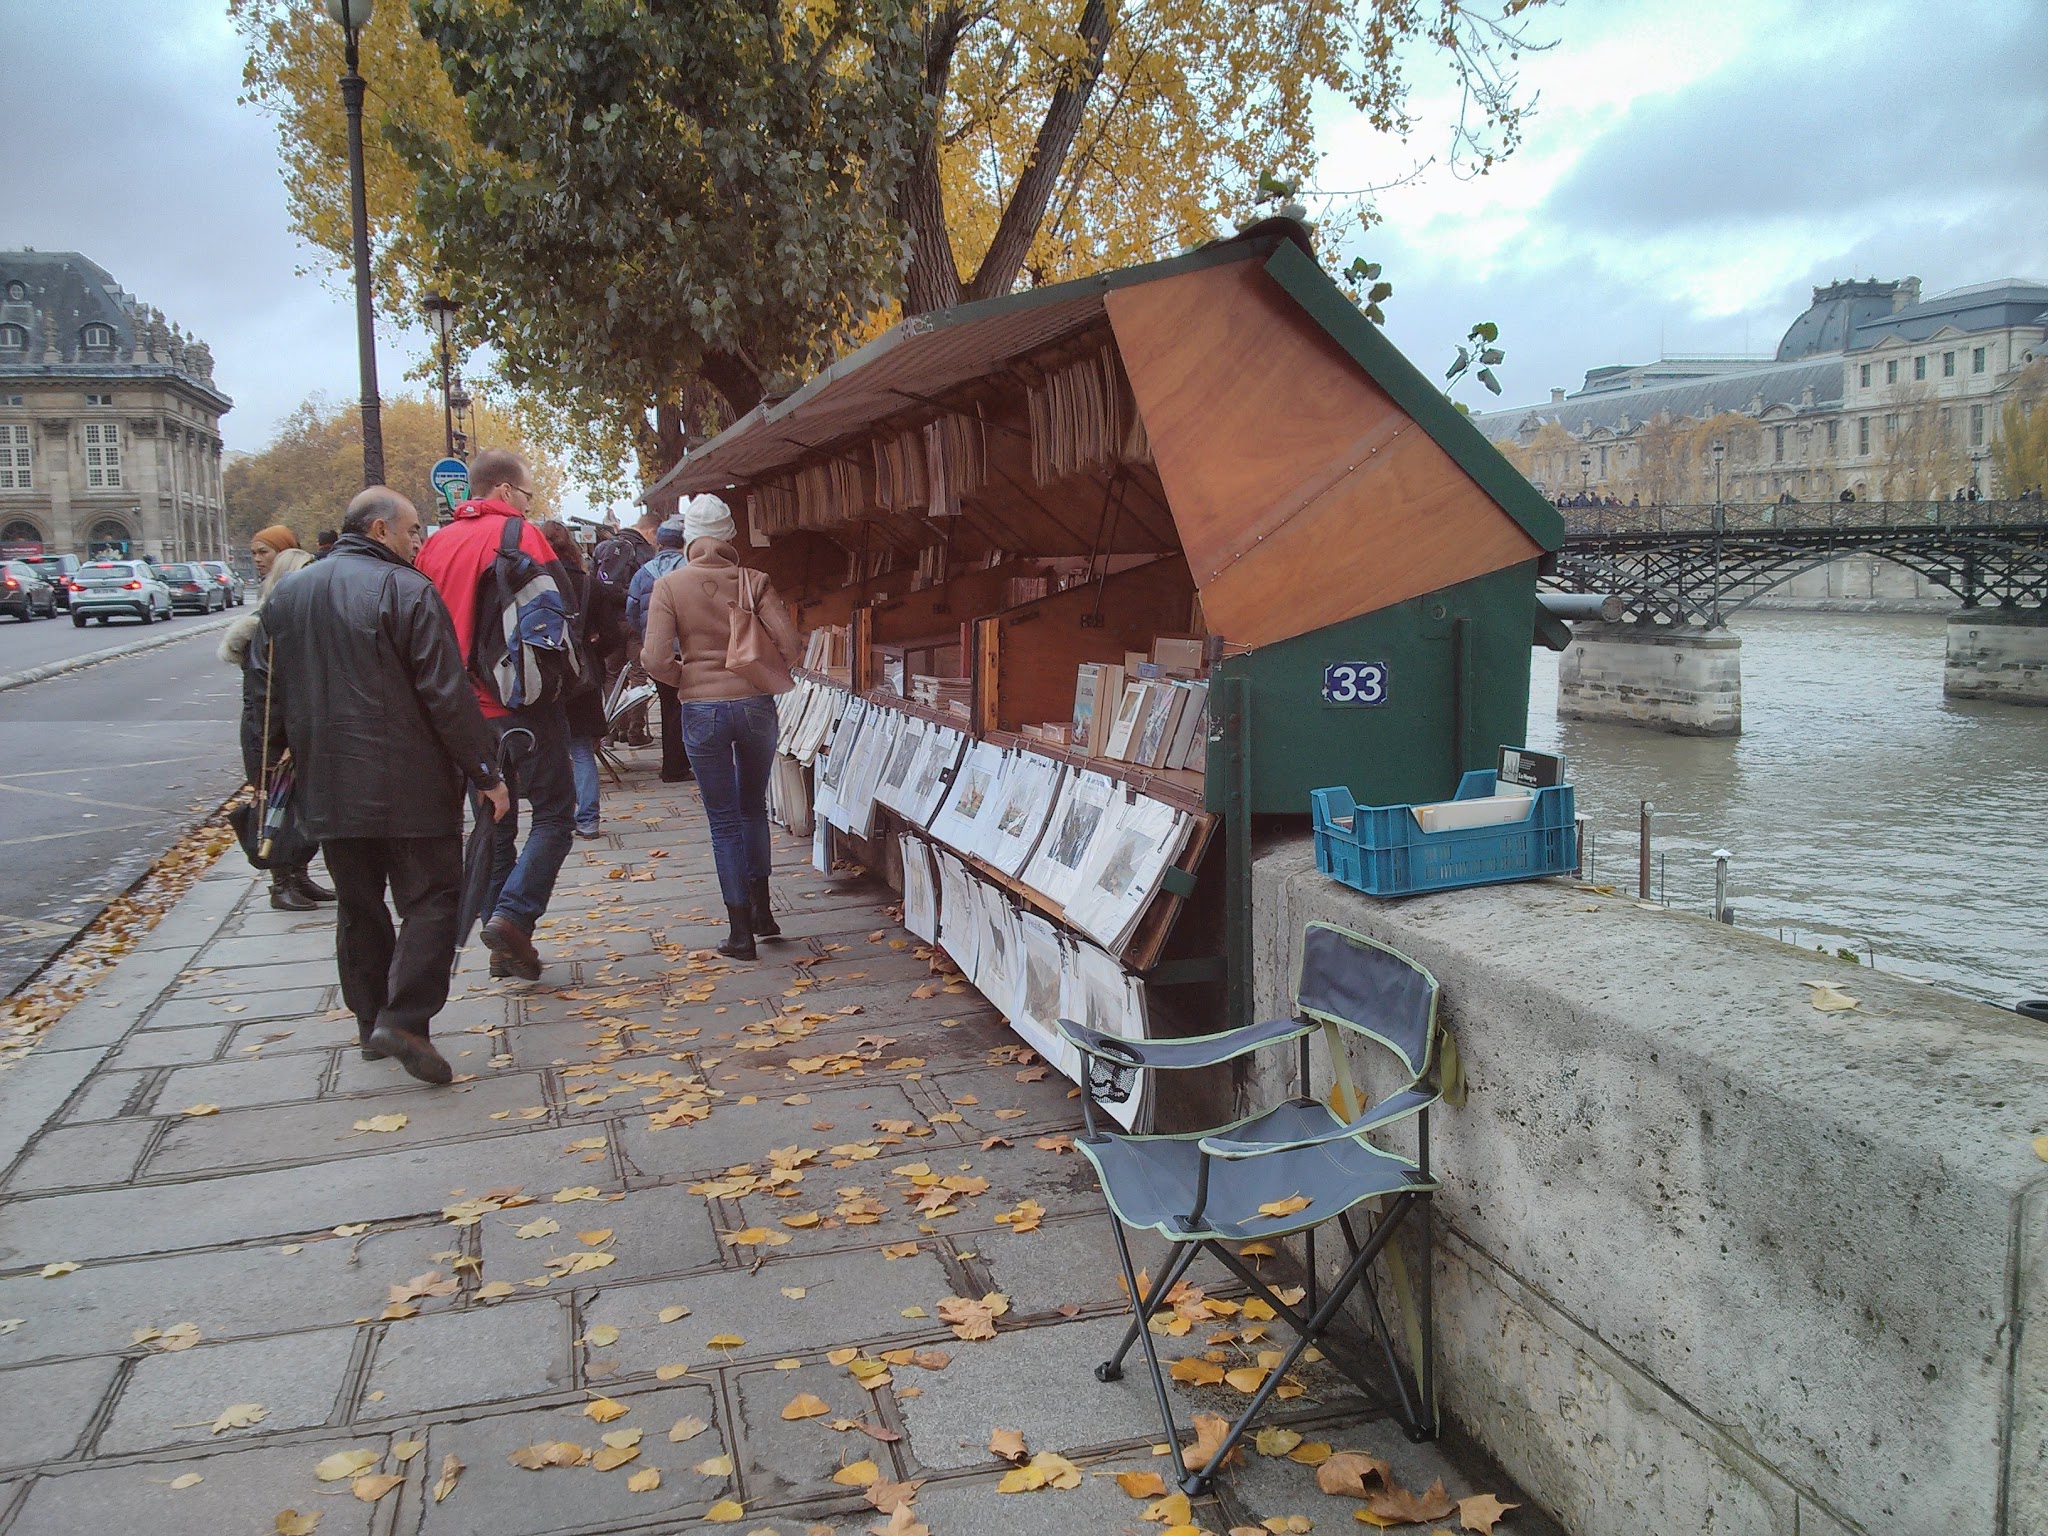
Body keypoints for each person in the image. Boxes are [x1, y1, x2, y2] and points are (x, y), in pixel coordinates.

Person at [258, 488, 510, 1084]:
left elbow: (263, 699)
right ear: (378, 530)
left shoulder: (287, 595)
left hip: (328, 784)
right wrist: (486, 773)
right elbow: (445, 692)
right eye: (413, 529)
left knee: (359, 905)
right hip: (411, 782)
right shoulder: (407, 590)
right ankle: (404, 1020)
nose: (418, 540)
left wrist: (265, 775)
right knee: (433, 899)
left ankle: (370, 1019)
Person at [415, 448, 579, 982]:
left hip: (461, 713)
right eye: (527, 493)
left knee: (494, 822)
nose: (529, 504)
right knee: (555, 814)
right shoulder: (520, 534)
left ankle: (502, 942)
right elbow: (561, 613)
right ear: (505, 490)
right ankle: (513, 917)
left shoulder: (434, 545)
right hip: (522, 702)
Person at [641, 494, 800, 960]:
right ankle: (764, 913)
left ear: (689, 537)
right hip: (755, 706)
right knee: (752, 809)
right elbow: (791, 645)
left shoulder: (669, 586)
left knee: (723, 821)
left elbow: (655, 658)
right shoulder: (754, 580)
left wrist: (688, 678)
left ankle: (739, 934)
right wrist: (759, 672)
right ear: (730, 536)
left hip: (701, 710)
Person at [222, 525, 330, 911]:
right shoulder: (266, 627)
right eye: (253, 552)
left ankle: (298, 876)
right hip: (269, 734)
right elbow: (265, 697)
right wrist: (276, 745)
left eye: (262, 551)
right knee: (276, 805)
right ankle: (281, 883)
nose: (256, 559)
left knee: (297, 804)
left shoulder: (282, 620)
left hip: (283, 730)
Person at [541, 519, 608, 839]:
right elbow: (613, 633)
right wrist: (590, 650)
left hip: (542, 673)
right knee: (582, 749)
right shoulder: (588, 584)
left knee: (548, 748)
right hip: (582, 675)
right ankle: (588, 819)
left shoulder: (534, 583)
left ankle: (554, 817)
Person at [628, 516, 693, 780]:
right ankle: (681, 765)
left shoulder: (643, 573)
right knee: (689, 707)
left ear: (660, 543)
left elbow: (632, 611)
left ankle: (672, 764)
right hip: (688, 649)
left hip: (658, 651)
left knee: (669, 708)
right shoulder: (690, 570)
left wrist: (648, 634)